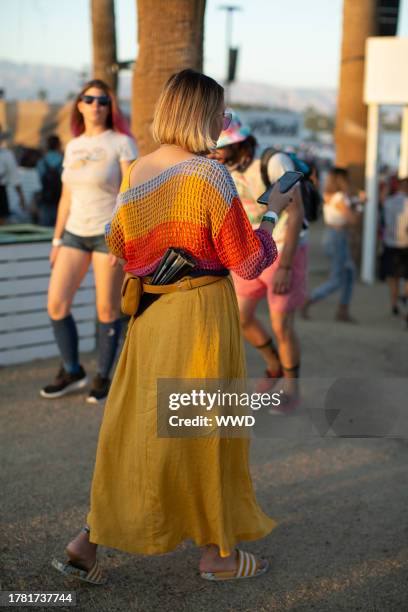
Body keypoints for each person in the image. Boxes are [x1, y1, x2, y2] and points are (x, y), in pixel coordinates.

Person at [52, 69, 294, 584]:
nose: (222, 122)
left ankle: (88, 542)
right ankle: (219, 556)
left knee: (137, 427)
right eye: (220, 113)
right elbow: (248, 262)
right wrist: (272, 212)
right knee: (208, 429)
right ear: (202, 115)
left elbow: (119, 246)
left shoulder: (138, 170)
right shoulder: (208, 176)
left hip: (152, 316)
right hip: (202, 316)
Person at [40, 79, 137, 404]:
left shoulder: (122, 142)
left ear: (111, 107)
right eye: (89, 99)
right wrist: (56, 241)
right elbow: (66, 197)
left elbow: (129, 193)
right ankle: (72, 370)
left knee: (107, 309)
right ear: (79, 105)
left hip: (106, 235)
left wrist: (122, 238)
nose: (96, 105)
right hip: (73, 235)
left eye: (103, 100)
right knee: (56, 304)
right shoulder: (74, 145)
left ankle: (104, 376)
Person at [209, 115, 307, 409]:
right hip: (250, 249)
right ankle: (274, 365)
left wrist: (286, 266)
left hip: (283, 247)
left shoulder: (274, 162)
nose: (213, 154)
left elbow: (297, 213)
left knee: (282, 326)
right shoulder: (223, 167)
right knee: (242, 317)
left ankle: (291, 390)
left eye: (219, 148)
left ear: (239, 143)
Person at [302, 167, 360, 322]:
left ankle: (343, 310)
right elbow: (352, 220)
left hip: (333, 236)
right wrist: (360, 205)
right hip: (338, 238)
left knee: (349, 274)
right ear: (342, 180)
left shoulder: (329, 195)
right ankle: (308, 300)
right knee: (337, 279)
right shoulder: (340, 197)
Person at [381, 177, 408, 320]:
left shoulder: (389, 202)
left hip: (391, 244)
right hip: (405, 245)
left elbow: (384, 221)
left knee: (393, 278)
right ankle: (404, 298)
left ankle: (394, 304)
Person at [0, 126, 26, 224]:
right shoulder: (6, 155)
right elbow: (15, 178)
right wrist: (21, 197)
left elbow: (15, 177)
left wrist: (21, 197)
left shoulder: (6, 154)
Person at [36, 134, 64, 227]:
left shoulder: (41, 161)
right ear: (58, 145)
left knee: (44, 229)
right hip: (61, 199)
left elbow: (39, 180)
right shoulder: (64, 160)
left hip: (46, 199)